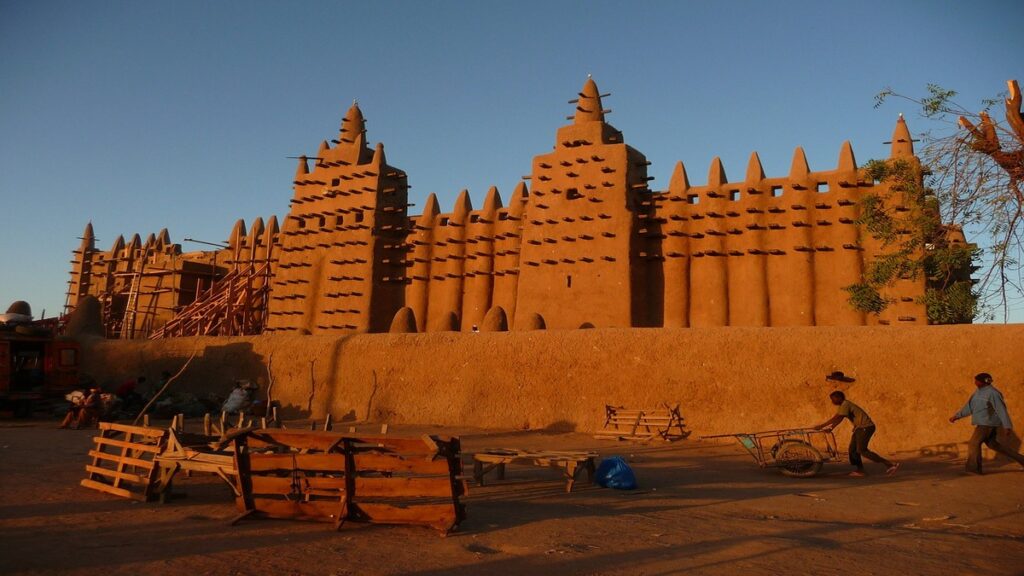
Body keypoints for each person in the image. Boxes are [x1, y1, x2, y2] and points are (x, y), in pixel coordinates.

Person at [949, 372, 1024, 474]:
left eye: (977, 380)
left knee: (974, 443)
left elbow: (1001, 409)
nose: (975, 382)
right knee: (994, 445)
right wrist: (957, 416)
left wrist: (1007, 426)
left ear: (983, 382)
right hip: (983, 423)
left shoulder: (993, 393)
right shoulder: (977, 392)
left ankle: (973, 469)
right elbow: (969, 407)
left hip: (987, 424)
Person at [814, 391, 899, 477]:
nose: (832, 401)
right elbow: (839, 418)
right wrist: (832, 427)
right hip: (860, 428)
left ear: (839, 397)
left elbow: (838, 417)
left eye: (833, 399)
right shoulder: (843, 406)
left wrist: (822, 426)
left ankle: (890, 464)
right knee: (853, 450)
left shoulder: (845, 404)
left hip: (865, 427)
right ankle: (860, 470)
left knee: (862, 450)